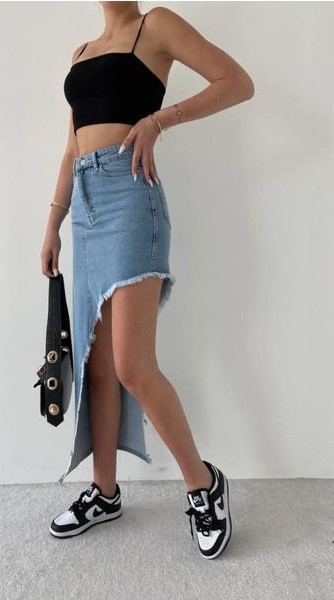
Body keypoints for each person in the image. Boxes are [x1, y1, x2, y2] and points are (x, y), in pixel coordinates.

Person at [42, 1, 254, 560]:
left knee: (132, 365)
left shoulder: (154, 26)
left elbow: (237, 83)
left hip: (131, 196)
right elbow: (71, 147)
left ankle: (204, 486)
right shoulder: (81, 53)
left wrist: (160, 121)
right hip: (85, 207)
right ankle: (105, 493)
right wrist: (53, 224)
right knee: (97, 364)